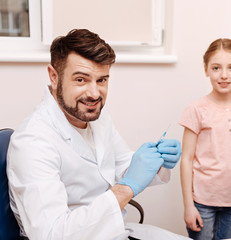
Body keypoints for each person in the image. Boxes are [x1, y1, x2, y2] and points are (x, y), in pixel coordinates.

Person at [6, 29, 189, 240]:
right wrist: (126, 188)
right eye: (81, 80)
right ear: (54, 76)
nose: (94, 94)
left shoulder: (95, 117)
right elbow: (52, 234)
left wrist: (156, 162)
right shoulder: (32, 142)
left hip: (112, 232)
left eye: (101, 80)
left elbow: (122, 166)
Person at [178, 38, 231, 240]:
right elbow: (187, 159)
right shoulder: (196, 109)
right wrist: (188, 206)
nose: (224, 75)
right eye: (216, 68)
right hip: (202, 201)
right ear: (206, 69)